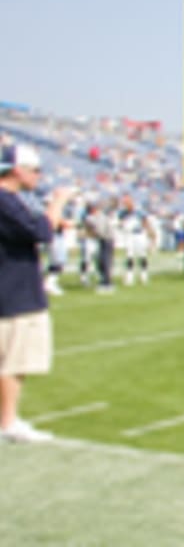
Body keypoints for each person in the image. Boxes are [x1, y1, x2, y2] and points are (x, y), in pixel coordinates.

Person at [0, 144, 73, 442]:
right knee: (14, 361)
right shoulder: (5, 200)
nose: (39, 176)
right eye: (35, 170)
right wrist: (57, 205)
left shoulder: (11, 201)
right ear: (18, 170)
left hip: (12, 286)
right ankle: (7, 422)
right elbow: (40, 232)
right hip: (14, 291)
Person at [116, 194, 156, 286]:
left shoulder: (139, 211)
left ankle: (144, 275)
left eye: (127, 202)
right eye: (124, 203)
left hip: (139, 234)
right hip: (129, 235)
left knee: (142, 255)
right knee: (129, 255)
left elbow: (145, 222)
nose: (126, 204)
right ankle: (129, 277)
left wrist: (150, 234)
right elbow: (120, 223)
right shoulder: (122, 213)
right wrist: (122, 225)